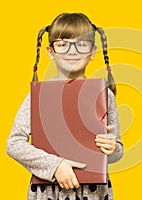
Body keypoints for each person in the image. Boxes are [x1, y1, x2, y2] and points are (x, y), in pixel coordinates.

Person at [7, 12, 123, 200]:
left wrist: (113, 148)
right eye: (62, 45)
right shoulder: (38, 96)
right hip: (48, 192)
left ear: (93, 52)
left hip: (94, 193)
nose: (72, 51)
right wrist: (55, 166)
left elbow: (116, 152)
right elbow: (14, 144)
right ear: (50, 52)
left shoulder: (104, 95)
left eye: (82, 44)